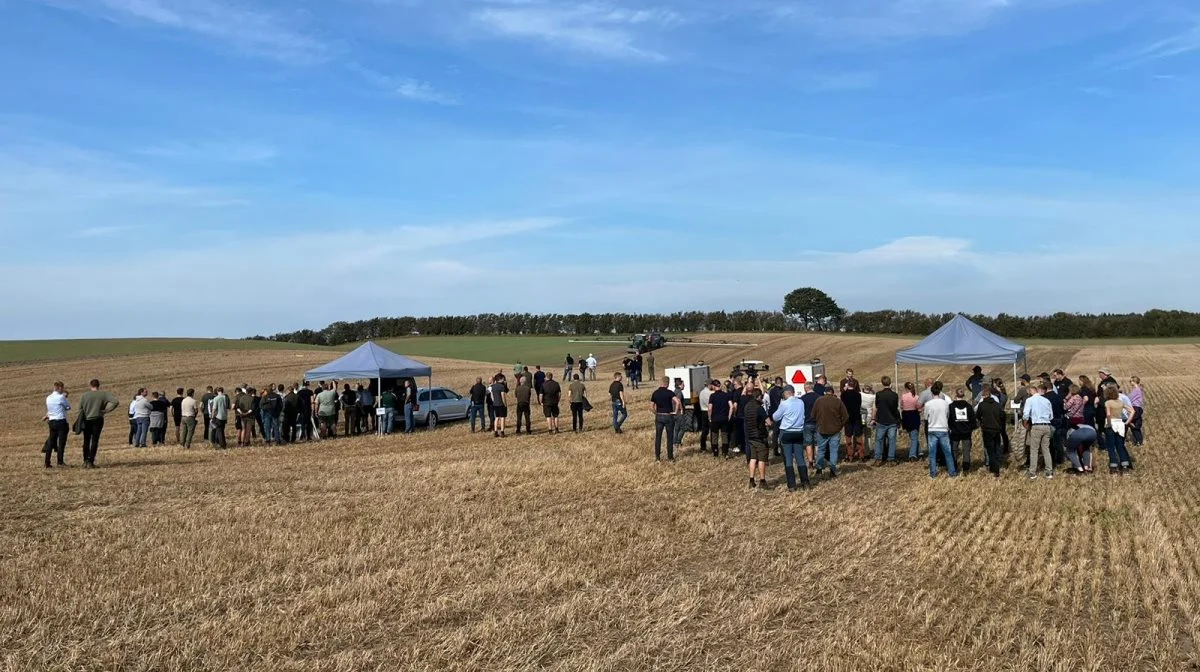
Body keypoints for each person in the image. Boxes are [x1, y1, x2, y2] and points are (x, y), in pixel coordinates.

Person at [773, 385, 810, 491]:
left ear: (785, 393)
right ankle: (805, 482)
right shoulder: (800, 402)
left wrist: (780, 405)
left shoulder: (784, 404)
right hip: (798, 432)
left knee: (788, 459)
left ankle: (792, 485)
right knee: (800, 458)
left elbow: (775, 417)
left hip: (786, 432)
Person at [76, 379, 119, 468]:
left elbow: (79, 408)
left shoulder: (84, 395)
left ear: (90, 385)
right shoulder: (103, 394)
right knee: (95, 440)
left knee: (86, 440)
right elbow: (115, 402)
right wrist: (106, 410)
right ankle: (91, 461)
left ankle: (85, 460)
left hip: (87, 420)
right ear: (99, 385)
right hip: (98, 419)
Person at [923, 382, 957, 479]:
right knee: (948, 452)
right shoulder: (945, 403)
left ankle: (933, 473)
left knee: (932, 453)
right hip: (943, 429)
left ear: (931, 392)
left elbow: (926, 417)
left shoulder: (928, 404)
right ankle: (952, 473)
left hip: (932, 429)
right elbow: (947, 415)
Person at [812, 386, 847, 478]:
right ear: (832, 392)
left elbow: (813, 415)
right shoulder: (838, 401)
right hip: (835, 430)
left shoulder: (819, 401)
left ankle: (819, 468)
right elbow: (845, 416)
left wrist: (819, 422)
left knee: (821, 450)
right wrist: (840, 426)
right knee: (833, 451)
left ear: (825, 392)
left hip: (822, 429)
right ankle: (832, 470)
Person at [1022, 382, 1054, 479]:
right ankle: (1049, 472)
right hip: (1047, 425)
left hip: (1037, 425)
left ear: (1030, 391)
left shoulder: (1030, 400)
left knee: (1034, 450)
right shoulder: (1046, 400)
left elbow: (1026, 414)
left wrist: (1025, 423)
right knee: (1046, 449)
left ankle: (1032, 472)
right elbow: (1051, 416)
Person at [976, 385, 1007, 478]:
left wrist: (981, 421)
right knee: (997, 447)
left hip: (987, 429)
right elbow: (1003, 415)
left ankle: (994, 468)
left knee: (990, 449)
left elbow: (978, 415)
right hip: (997, 429)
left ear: (983, 396)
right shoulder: (997, 405)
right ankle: (998, 462)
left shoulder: (982, 405)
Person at [1102, 386, 1134, 474]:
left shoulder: (1108, 402)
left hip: (1111, 423)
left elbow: (1108, 414)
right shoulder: (1120, 402)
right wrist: (1127, 422)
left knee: (1111, 446)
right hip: (1120, 424)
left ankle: (1113, 465)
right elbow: (1132, 411)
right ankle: (1125, 465)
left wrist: (1109, 423)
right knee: (1120, 445)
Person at [650, 377, 682, 462]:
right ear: (667, 384)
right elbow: (677, 402)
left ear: (660, 383)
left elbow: (651, 406)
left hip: (659, 416)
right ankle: (670, 457)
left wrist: (655, 413)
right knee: (669, 437)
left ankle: (657, 458)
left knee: (658, 437)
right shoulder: (669, 392)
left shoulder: (655, 393)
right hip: (668, 416)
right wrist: (675, 411)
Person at [743, 389, 770, 489]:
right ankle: (762, 481)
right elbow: (769, 422)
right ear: (758, 397)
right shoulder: (759, 408)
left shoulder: (747, 407)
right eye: (761, 397)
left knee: (753, 458)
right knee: (761, 459)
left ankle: (751, 480)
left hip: (750, 436)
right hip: (759, 436)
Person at [42, 382, 70, 468]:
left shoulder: (48, 397)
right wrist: (65, 397)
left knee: (51, 441)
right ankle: (60, 461)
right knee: (61, 442)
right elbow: (68, 407)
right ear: (60, 388)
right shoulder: (61, 397)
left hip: (52, 421)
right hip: (61, 421)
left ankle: (47, 462)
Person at [873, 377, 900, 465]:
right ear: (890, 383)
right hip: (892, 420)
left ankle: (878, 458)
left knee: (879, 440)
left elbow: (876, 407)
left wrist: (874, 418)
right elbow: (895, 408)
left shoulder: (879, 394)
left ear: (882, 383)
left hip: (881, 420)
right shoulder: (895, 395)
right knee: (892, 440)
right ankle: (891, 458)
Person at [948, 388, 976, 473]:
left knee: (954, 449)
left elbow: (949, 419)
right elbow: (973, 420)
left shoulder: (951, 406)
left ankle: (954, 465)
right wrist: (970, 428)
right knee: (966, 449)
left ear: (956, 395)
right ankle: (966, 467)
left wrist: (951, 427)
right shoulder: (968, 406)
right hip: (966, 431)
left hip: (955, 431)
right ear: (963, 395)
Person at [707, 379, 733, 458]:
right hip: (724, 418)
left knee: (714, 436)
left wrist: (709, 417)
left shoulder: (712, 396)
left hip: (715, 418)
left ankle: (715, 453)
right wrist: (729, 416)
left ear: (714, 386)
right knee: (724, 436)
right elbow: (731, 406)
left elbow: (710, 408)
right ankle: (725, 453)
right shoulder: (726, 395)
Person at [841, 379, 864, 462]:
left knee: (848, 438)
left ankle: (850, 455)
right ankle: (861, 455)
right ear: (854, 386)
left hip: (847, 418)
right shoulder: (858, 395)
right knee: (859, 437)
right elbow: (859, 404)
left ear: (848, 385)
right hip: (857, 417)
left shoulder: (843, 395)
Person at [900, 381, 922, 461]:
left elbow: (901, 406)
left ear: (906, 388)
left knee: (912, 436)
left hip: (906, 416)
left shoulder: (903, 396)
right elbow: (919, 409)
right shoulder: (916, 397)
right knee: (914, 436)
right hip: (914, 416)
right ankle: (913, 454)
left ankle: (917, 452)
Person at [696, 377, 712, 452]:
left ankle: (703, 447)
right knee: (712, 430)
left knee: (704, 430)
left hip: (703, 412)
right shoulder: (710, 393)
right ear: (709, 385)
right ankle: (713, 445)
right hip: (709, 411)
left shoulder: (701, 392)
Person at [1128, 376, 1145, 447]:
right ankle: (1138, 440)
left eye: (1131, 381)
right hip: (1136, 408)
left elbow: (1130, 398)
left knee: (1133, 423)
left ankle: (1139, 441)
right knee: (1134, 424)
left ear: (1134, 381)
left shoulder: (1136, 390)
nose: (1130, 383)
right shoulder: (1137, 389)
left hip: (1136, 408)